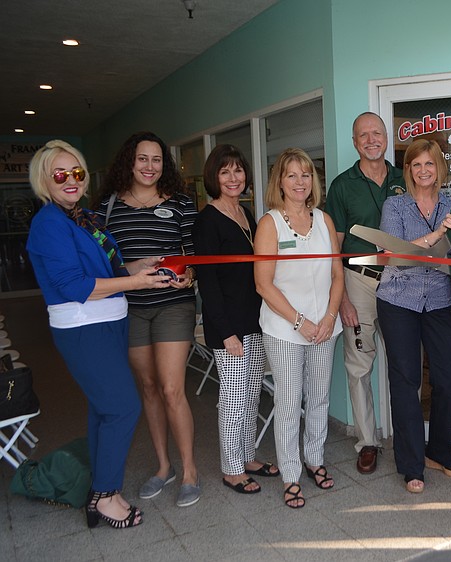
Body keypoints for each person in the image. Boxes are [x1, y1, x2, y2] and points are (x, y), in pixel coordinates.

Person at [26, 140, 172, 528]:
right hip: (83, 327)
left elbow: (106, 272)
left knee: (103, 408)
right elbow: (76, 285)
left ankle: (99, 488)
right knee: (123, 407)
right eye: (60, 174)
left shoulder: (82, 217)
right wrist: (137, 283)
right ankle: (106, 495)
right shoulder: (49, 224)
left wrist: (139, 266)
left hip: (108, 322)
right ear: (44, 179)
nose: (71, 180)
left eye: (76, 172)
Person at [96, 131, 201, 508]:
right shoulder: (108, 207)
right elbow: (102, 263)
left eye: (157, 160)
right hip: (131, 308)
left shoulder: (181, 204)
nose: (149, 166)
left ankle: (189, 470)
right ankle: (163, 466)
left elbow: (193, 255)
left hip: (174, 304)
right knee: (149, 388)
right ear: (130, 160)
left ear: (164, 164)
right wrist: (131, 268)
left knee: (172, 388)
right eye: (143, 159)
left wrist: (190, 274)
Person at [375, 139, 451, 493]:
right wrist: (438, 233)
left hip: (440, 300)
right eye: (416, 165)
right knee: (406, 382)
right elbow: (396, 253)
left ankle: (441, 451)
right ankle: (411, 463)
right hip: (399, 299)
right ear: (409, 170)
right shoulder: (395, 205)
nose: (423, 171)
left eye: (429, 164)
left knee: (447, 377)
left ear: (439, 168)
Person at [254, 147, 343, 509]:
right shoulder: (269, 223)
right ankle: (291, 474)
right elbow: (263, 284)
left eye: (305, 174)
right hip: (284, 329)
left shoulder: (324, 221)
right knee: (289, 402)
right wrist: (300, 323)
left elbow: (337, 276)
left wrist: (329, 317)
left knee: (319, 397)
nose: (299, 181)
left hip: (324, 327)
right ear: (280, 181)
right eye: (291, 175)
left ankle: (314, 459)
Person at [192, 144, 280, 495]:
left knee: (252, 393)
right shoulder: (207, 220)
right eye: (224, 171)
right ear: (213, 177)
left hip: (254, 320)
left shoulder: (247, 215)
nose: (233, 178)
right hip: (228, 326)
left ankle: (247, 456)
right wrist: (226, 332)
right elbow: (208, 282)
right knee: (233, 396)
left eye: (238, 171)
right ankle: (231, 468)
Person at [325, 112, 406, 474]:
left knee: (404, 361)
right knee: (359, 364)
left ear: (386, 137)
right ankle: (367, 441)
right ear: (355, 142)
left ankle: (407, 437)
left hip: (403, 280)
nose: (371, 139)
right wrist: (341, 297)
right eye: (363, 135)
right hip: (358, 280)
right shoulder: (343, 185)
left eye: (377, 133)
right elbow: (334, 248)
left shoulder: (406, 178)